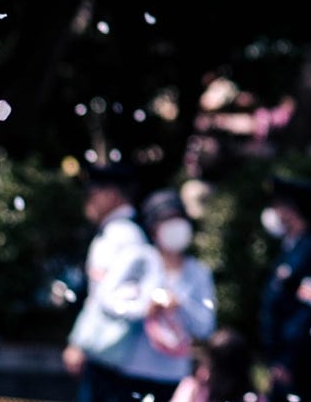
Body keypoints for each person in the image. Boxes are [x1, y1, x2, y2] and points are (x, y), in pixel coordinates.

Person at [112, 191, 216, 401]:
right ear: (153, 229)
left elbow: (206, 326)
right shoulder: (138, 259)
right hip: (131, 369)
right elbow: (111, 300)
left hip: (174, 375)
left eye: (178, 219)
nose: (174, 227)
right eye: (166, 220)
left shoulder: (198, 272)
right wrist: (144, 308)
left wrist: (181, 305)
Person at [64, 164, 152, 402]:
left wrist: (80, 343)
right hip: (113, 355)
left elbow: (105, 298)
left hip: (109, 354)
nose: (88, 200)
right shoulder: (123, 233)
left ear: (112, 194)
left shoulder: (120, 236)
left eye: (93, 193)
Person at [256, 178, 311, 402]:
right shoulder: (292, 247)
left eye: (278, 206)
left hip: (306, 366)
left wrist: (288, 360)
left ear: (292, 210)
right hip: (287, 362)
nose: (274, 213)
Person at [167, 331, 251, 402]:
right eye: (204, 364)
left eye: (212, 368)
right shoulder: (192, 388)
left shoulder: (249, 397)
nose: (201, 373)